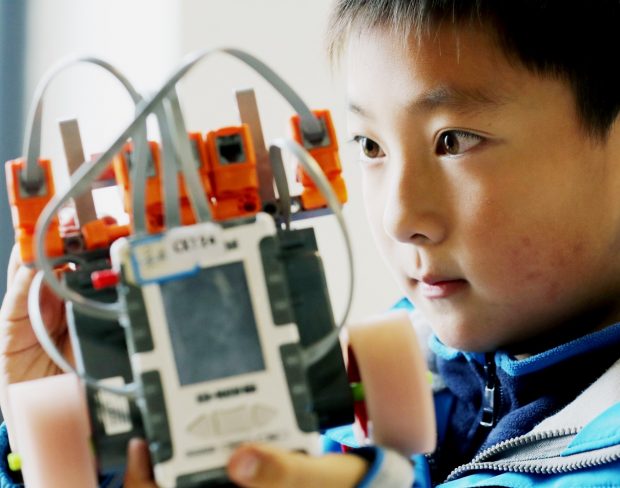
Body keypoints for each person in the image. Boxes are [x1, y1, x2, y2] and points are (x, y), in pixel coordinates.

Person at [2, 0, 620, 486]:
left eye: (454, 141)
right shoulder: (377, 406)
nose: (400, 215)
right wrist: (87, 443)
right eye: (371, 147)